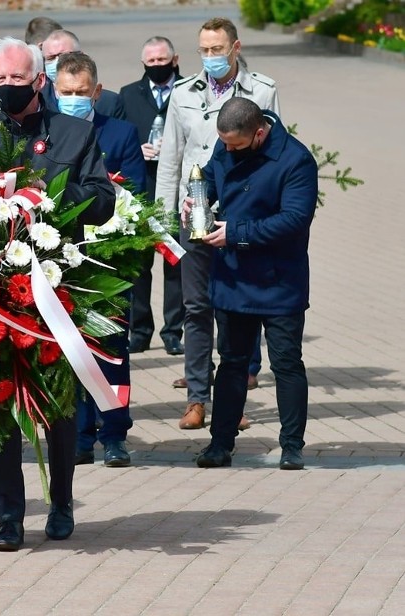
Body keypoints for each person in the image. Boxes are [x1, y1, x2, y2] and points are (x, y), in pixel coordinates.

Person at [0, 37, 115, 551]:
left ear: (39, 81)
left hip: (55, 289)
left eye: (16, 80)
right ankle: (9, 519)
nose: (5, 88)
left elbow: (104, 201)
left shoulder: (74, 133)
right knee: (0, 400)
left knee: (57, 404)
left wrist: (47, 196)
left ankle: (61, 501)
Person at [154, 17, 279, 432]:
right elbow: (170, 159)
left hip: (237, 218)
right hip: (194, 217)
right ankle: (195, 398)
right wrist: (163, 217)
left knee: (231, 310)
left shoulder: (262, 89)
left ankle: (232, 401)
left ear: (235, 47)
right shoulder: (182, 93)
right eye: (203, 50)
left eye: (217, 49)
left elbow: (272, 154)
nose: (210, 57)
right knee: (194, 308)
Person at [188, 98, 317, 470]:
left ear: (259, 133)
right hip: (233, 276)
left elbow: (293, 219)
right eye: (224, 143)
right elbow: (211, 176)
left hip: (280, 279)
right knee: (231, 362)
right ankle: (220, 444)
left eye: (236, 145)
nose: (228, 150)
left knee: (287, 363)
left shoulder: (295, 160)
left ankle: (292, 446)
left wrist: (237, 233)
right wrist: (196, 202)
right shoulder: (226, 144)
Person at [53, 50, 145, 469]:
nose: (74, 98)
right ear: (54, 91)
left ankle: (114, 435)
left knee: (111, 349)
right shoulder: (46, 134)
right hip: (59, 260)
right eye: (66, 92)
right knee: (72, 350)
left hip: (110, 260)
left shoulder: (121, 134)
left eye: (82, 92)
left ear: (97, 92)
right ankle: (79, 435)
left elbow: (134, 196)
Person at [118, 36, 185, 357]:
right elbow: (121, 136)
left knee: (175, 264)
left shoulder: (189, 91)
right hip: (141, 190)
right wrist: (138, 148)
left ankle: (173, 331)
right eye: (151, 61)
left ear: (175, 59)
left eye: (162, 60)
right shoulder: (130, 95)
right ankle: (140, 330)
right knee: (138, 266)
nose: (157, 66)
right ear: (143, 63)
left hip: (175, 190)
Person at [39, 29, 122, 119]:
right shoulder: (37, 101)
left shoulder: (109, 103)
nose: (58, 61)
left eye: (65, 56)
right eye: (51, 58)